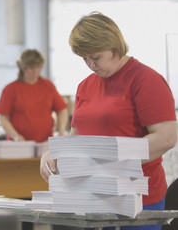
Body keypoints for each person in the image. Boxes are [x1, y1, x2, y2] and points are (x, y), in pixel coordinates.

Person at [40, 12, 177, 230]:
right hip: (92, 194)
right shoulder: (85, 85)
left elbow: (167, 138)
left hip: (138, 198)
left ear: (115, 47)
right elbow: (77, 136)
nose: (90, 64)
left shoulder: (146, 80)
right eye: (84, 59)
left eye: (96, 57)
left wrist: (111, 158)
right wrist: (55, 153)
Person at [0, 49, 68, 142]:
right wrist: (15, 136)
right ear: (23, 68)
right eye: (31, 68)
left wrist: (61, 132)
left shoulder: (48, 86)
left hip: (45, 142)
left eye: (38, 67)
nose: (36, 71)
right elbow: (3, 118)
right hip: (20, 144)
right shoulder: (10, 89)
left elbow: (62, 110)